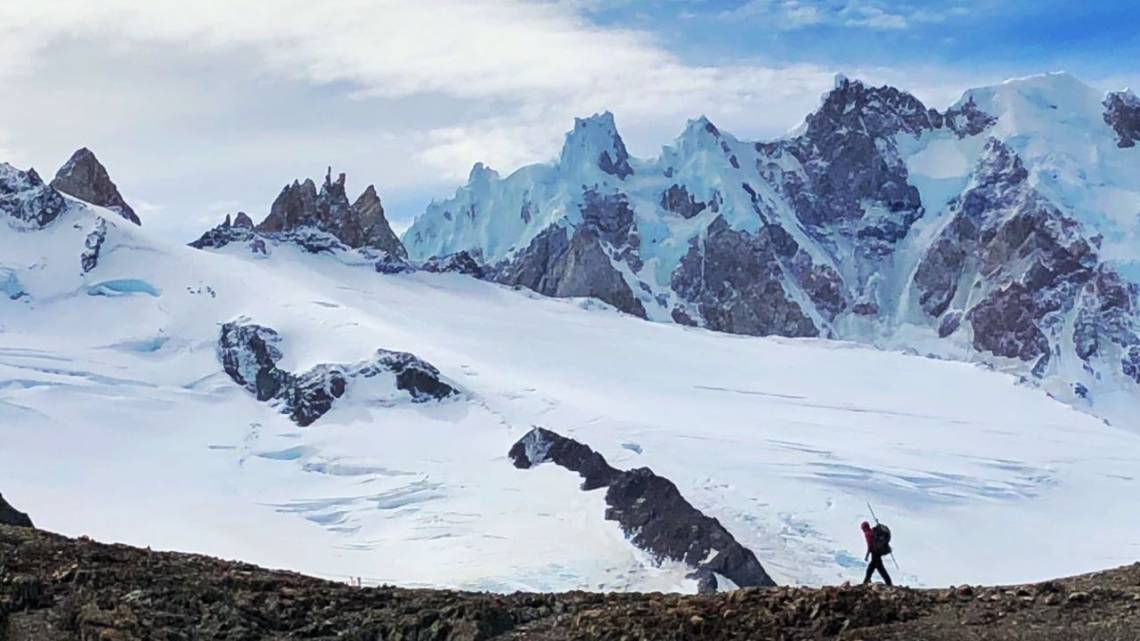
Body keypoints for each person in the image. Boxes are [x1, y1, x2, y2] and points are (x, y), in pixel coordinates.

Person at [861, 520, 893, 586]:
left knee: (880, 568)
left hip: (875, 552)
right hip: (877, 551)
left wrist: (867, 554)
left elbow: (869, 544)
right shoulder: (873, 531)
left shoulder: (867, 533)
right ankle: (866, 580)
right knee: (872, 567)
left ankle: (888, 583)